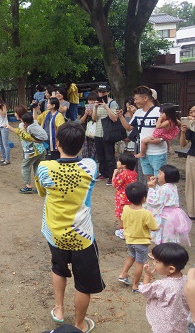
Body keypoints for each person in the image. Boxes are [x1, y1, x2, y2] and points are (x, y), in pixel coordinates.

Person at [35, 121, 105, 332]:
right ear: (82, 143)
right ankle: (79, 324)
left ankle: (59, 310)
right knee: (83, 283)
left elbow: (41, 192)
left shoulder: (45, 167)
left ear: (57, 143)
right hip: (82, 236)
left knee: (58, 267)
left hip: (54, 233)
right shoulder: (90, 166)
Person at [118, 86, 166, 179]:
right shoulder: (138, 112)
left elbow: (170, 128)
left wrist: (161, 139)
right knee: (149, 177)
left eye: (136, 99)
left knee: (159, 179)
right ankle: (150, 193)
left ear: (145, 98)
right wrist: (121, 117)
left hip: (158, 152)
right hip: (143, 152)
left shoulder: (159, 112)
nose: (135, 101)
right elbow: (129, 128)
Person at [117, 182, 158, 293]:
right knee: (140, 263)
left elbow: (123, 219)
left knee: (131, 255)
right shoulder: (146, 213)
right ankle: (135, 286)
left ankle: (123, 274)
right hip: (141, 242)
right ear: (144, 198)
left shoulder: (125, 208)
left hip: (129, 240)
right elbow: (154, 227)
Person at [139, 243, 189, 333]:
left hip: (163, 326)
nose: (154, 263)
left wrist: (147, 275)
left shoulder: (162, 285)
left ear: (171, 269)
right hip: (180, 324)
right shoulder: (187, 280)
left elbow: (144, 291)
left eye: (157, 262)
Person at [146, 164, 192, 245]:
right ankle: (169, 251)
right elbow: (162, 196)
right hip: (172, 216)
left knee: (163, 234)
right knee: (170, 234)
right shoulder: (172, 186)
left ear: (167, 177)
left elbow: (154, 201)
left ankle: (161, 252)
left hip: (165, 218)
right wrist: (155, 185)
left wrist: (151, 188)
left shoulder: (165, 188)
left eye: (160, 174)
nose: (157, 176)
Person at [5, 112, 47, 194]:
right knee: (38, 168)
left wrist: (9, 127)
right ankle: (40, 187)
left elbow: (23, 135)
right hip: (42, 149)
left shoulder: (23, 126)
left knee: (25, 166)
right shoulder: (34, 123)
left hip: (32, 151)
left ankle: (28, 186)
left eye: (16, 113)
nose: (14, 114)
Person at [91, 83, 120, 185]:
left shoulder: (112, 103)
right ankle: (103, 172)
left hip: (108, 132)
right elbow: (94, 119)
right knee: (101, 155)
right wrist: (95, 108)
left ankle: (112, 174)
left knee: (109, 155)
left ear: (108, 92)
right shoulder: (96, 103)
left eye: (103, 91)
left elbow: (114, 118)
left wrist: (106, 107)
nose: (101, 93)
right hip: (98, 132)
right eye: (99, 91)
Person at [111, 153, 138, 240]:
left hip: (122, 198)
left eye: (119, 161)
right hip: (131, 197)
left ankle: (122, 231)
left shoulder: (123, 174)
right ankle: (130, 229)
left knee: (120, 215)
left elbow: (114, 184)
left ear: (123, 165)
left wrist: (114, 174)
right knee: (129, 214)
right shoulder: (133, 173)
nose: (117, 162)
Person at [180, 101, 195, 218]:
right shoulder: (190, 126)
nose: (193, 114)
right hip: (192, 158)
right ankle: (192, 212)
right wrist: (183, 131)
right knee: (190, 186)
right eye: (191, 112)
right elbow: (183, 144)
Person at [80, 92, 98, 159]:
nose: (91, 102)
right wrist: (85, 114)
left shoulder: (98, 109)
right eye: (90, 100)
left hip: (96, 133)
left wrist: (91, 114)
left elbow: (97, 120)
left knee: (95, 151)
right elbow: (81, 121)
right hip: (87, 133)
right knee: (86, 151)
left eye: (93, 100)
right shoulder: (86, 109)